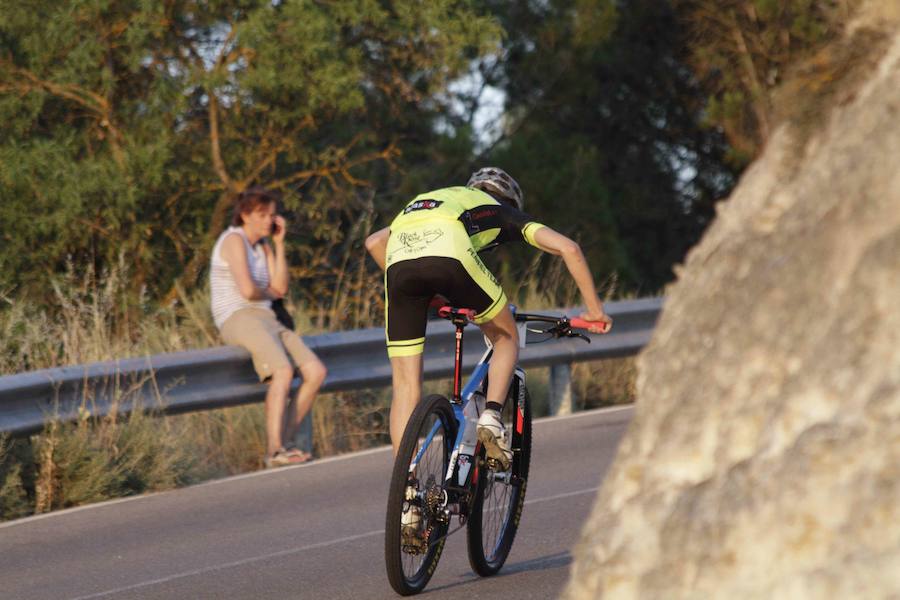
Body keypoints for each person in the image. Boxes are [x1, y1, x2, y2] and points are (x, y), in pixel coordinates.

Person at [365, 167, 612, 469]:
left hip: (399, 263)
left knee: (404, 384)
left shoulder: (440, 197)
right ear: (508, 201)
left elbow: (374, 242)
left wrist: (429, 294)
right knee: (505, 337)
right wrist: (595, 311)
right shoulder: (500, 212)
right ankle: (492, 416)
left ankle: (406, 489)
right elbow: (568, 248)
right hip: (451, 253)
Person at [210, 186, 327, 468]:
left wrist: (280, 244)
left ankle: (284, 445)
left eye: (272, 215)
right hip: (238, 316)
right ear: (246, 215)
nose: (268, 221)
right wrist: (270, 292)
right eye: (262, 215)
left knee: (315, 372)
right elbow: (249, 291)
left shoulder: (263, 247)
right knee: (282, 370)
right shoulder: (233, 240)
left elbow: (282, 287)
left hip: (266, 318)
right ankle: (274, 450)